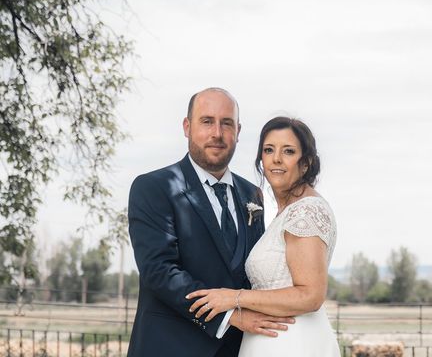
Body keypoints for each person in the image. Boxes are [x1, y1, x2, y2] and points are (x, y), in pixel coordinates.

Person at [127, 88, 293, 357]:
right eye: (207, 121)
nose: (217, 133)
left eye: (226, 123)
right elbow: (159, 271)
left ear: (238, 131)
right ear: (187, 126)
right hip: (169, 347)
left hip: (239, 349)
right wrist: (229, 316)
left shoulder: (253, 194)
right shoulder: (153, 187)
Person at [187, 116, 340, 357]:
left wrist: (233, 298)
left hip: (293, 344)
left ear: (306, 163)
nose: (276, 158)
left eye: (288, 151)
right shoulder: (286, 211)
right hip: (272, 340)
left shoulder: (305, 211)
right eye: (269, 150)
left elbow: (310, 295)